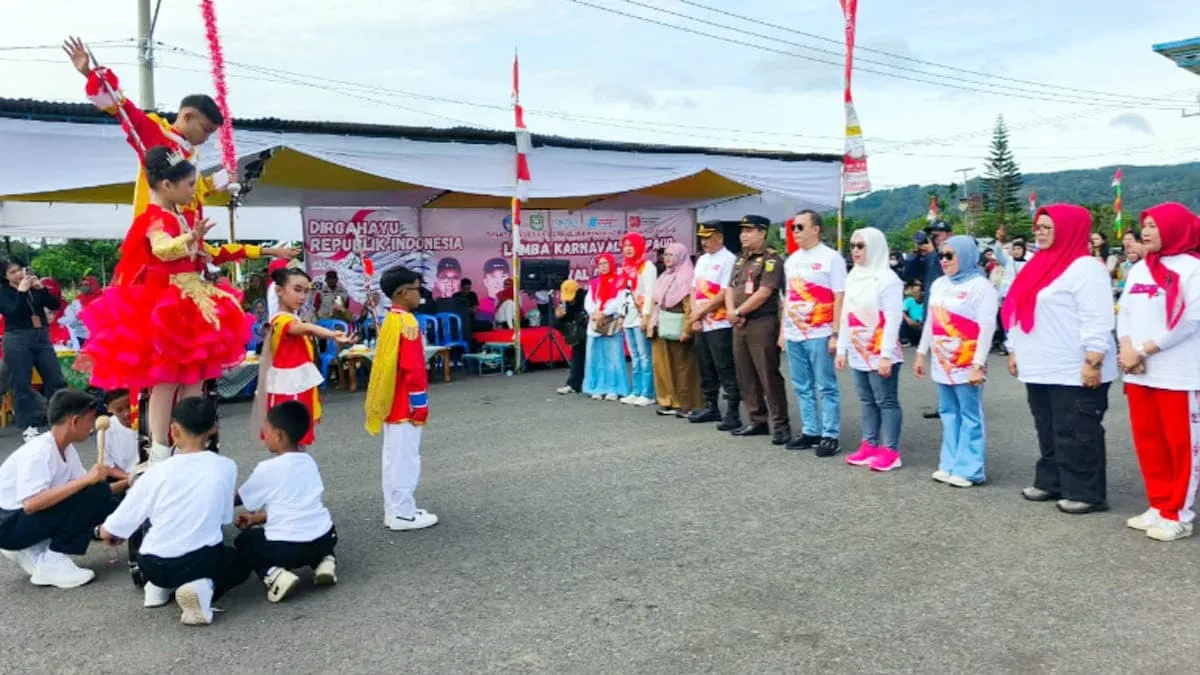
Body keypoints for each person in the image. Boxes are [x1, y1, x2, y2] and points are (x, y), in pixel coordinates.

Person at [79, 147, 258, 464]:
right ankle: (159, 452)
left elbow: (213, 252)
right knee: (165, 382)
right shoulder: (153, 218)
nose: (194, 190)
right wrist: (189, 240)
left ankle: (191, 444)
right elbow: (162, 250)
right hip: (167, 305)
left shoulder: (185, 216)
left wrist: (263, 253)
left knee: (195, 379)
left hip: (196, 302)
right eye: (190, 184)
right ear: (166, 185)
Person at [1003, 204, 1117, 515]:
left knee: (1077, 429)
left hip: (1074, 367)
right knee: (1048, 426)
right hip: (1040, 364)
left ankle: (1086, 491)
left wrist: (1093, 361)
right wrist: (1014, 348)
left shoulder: (1086, 268)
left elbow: (1098, 318)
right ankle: (1052, 481)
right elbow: (1017, 309)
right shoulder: (1037, 264)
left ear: (1068, 229)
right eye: (1037, 227)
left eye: (1046, 227)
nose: (1038, 233)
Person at [99, 397, 250, 624]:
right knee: (240, 561)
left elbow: (118, 521)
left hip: (153, 564)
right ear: (213, 428)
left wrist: (111, 532)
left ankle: (158, 588)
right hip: (200, 561)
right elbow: (224, 516)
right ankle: (201, 588)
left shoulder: (156, 471)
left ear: (173, 430)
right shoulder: (226, 466)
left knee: (154, 528)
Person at [1117, 203, 1200, 541]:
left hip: (1178, 373)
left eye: (1154, 226)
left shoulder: (1193, 269)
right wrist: (1126, 347)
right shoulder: (1140, 269)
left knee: (1181, 446)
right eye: (1145, 226)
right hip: (1139, 371)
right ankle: (1159, 503)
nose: (1146, 232)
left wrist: (1145, 349)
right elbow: (1123, 310)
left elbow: (1191, 320)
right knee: (1148, 441)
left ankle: (1179, 512)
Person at [0, 389, 121, 589]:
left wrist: (132, 482)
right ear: (74, 421)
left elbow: (93, 495)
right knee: (95, 491)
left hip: (16, 520)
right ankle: (53, 560)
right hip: (6, 526)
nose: (92, 427)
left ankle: (36, 549)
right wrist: (87, 482)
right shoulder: (40, 452)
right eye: (90, 420)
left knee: (102, 497)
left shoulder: (66, 449)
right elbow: (32, 504)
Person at [914, 236, 998, 488]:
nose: (944, 260)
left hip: (967, 361)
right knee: (949, 413)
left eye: (950, 255)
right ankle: (949, 463)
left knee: (969, 414)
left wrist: (978, 364)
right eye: (941, 255)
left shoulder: (980, 287)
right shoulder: (939, 284)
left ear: (966, 255)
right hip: (942, 361)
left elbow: (986, 328)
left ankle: (971, 468)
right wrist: (921, 352)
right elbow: (932, 320)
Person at [234, 401, 338, 601]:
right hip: (325, 538)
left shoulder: (268, 468)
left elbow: (241, 498)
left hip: (286, 549)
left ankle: (275, 575)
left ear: (279, 435)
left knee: (245, 541)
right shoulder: (309, 461)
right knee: (317, 522)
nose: (265, 438)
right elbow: (297, 506)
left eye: (267, 432)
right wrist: (257, 518)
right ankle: (325, 560)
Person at [365, 266, 438, 531]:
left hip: (392, 401)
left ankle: (397, 508)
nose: (421, 294)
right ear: (404, 292)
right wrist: (421, 404)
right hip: (405, 403)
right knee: (405, 458)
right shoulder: (407, 322)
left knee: (393, 458)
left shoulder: (390, 319)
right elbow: (414, 368)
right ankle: (402, 513)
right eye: (417, 288)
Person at [252, 268, 354, 447]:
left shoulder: (290, 317)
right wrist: (331, 333)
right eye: (297, 289)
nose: (302, 296)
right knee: (288, 435)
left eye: (306, 291)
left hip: (296, 382)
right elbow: (304, 328)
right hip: (288, 385)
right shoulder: (281, 320)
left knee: (295, 436)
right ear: (279, 291)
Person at [837, 227, 905, 472]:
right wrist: (842, 349)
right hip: (858, 350)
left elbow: (893, 318)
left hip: (880, 351)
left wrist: (886, 355)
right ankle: (870, 444)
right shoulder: (854, 275)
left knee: (885, 400)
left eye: (860, 246)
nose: (854, 250)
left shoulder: (888, 279)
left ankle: (891, 450)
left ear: (874, 247)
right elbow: (847, 314)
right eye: (852, 246)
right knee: (866, 400)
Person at [779, 211, 845, 455]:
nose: (795, 232)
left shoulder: (831, 258)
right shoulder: (791, 260)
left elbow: (840, 296)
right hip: (795, 332)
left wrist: (836, 333)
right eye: (793, 227)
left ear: (815, 229)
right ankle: (811, 430)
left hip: (820, 331)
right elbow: (788, 298)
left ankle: (830, 434)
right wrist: (783, 330)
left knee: (826, 385)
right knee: (801, 384)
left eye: (800, 227)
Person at [727, 215, 790, 444]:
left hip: (761, 322)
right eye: (742, 230)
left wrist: (739, 312)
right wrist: (731, 312)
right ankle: (757, 420)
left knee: (767, 374)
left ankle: (781, 424)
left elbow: (765, 292)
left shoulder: (771, 259)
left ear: (762, 233)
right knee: (745, 374)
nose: (744, 235)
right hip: (739, 322)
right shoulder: (739, 259)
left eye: (749, 230)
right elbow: (730, 288)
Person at [0, 258, 67, 440]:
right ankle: (30, 425)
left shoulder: (32, 287)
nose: (19, 274)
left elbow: (55, 305)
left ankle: (61, 419)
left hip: (41, 336)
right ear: (5, 276)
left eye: (20, 269)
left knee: (55, 377)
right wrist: (21, 292)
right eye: (12, 272)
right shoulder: (4, 292)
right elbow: (13, 311)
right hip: (17, 337)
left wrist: (41, 289)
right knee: (22, 383)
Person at [687, 223, 741, 431]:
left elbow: (723, 292)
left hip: (720, 323)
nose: (704, 242)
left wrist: (700, 312)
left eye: (708, 237)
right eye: (702, 238)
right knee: (705, 366)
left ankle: (733, 411)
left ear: (719, 237)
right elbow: (693, 289)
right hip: (701, 322)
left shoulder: (728, 259)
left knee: (725, 367)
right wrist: (695, 315)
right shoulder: (701, 260)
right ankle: (711, 406)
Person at [647, 242, 702, 417]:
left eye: (672, 255)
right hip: (661, 324)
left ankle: (685, 403)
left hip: (678, 325)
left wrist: (687, 329)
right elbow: (656, 302)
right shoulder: (664, 276)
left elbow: (688, 307)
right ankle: (667, 400)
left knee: (682, 366)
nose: (667, 258)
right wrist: (650, 323)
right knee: (661, 364)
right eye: (666, 255)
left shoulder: (686, 277)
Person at [582, 254, 632, 401]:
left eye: (606, 263)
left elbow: (620, 301)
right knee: (595, 357)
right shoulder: (594, 283)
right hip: (595, 323)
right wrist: (595, 313)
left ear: (611, 264)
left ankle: (614, 388)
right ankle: (597, 387)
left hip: (611, 323)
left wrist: (604, 312)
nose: (603, 266)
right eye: (601, 264)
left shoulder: (619, 282)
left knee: (613, 358)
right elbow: (589, 301)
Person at [620, 232, 658, 407]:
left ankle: (648, 393)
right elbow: (623, 293)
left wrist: (646, 315)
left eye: (631, 245)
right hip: (628, 317)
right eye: (625, 245)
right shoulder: (626, 267)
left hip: (640, 316)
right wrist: (621, 315)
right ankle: (636, 390)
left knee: (644, 356)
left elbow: (650, 292)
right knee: (634, 356)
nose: (628, 248)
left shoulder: (647, 266)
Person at [555, 279, 589, 395]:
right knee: (576, 358)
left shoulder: (586, 298)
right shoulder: (564, 303)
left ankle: (588, 383)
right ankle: (573, 384)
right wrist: (559, 317)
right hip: (576, 335)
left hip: (588, 331)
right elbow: (558, 325)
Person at [101, 389, 140, 479]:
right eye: (119, 410)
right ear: (108, 408)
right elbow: (108, 466)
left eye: (129, 406)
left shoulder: (151, 420)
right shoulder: (107, 428)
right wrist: (130, 478)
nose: (127, 413)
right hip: (126, 478)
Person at [60, 275, 102, 346]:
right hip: (80, 336)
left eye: (86, 285)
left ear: (93, 285)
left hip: (98, 336)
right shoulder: (77, 300)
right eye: (81, 285)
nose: (83, 287)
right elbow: (71, 319)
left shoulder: (101, 299)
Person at [901, 280, 925, 346]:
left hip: (923, 327)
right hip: (912, 325)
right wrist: (908, 319)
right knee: (901, 318)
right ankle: (904, 339)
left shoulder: (927, 301)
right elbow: (902, 311)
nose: (919, 288)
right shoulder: (909, 300)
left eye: (920, 286)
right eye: (916, 285)